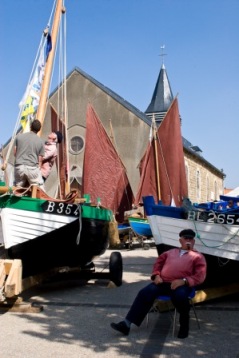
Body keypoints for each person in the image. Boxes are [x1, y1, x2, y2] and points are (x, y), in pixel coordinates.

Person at [111, 229, 207, 339]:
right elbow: (158, 265)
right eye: (186, 238)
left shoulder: (198, 256)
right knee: (145, 293)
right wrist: (156, 276)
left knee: (180, 296)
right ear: (180, 240)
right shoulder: (169, 253)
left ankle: (184, 326)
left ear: (194, 241)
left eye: (191, 239)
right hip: (164, 282)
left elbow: (200, 276)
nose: (188, 241)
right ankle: (126, 324)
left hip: (182, 284)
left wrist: (184, 281)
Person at [14, 119, 45, 188]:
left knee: (17, 189)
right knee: (38, 188)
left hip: (19, 167)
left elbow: (15, 153)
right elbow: (40, 160)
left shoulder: (19, 137)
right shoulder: (41, 142)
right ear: (39, 130)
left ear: (30, 126)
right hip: (32, 168)